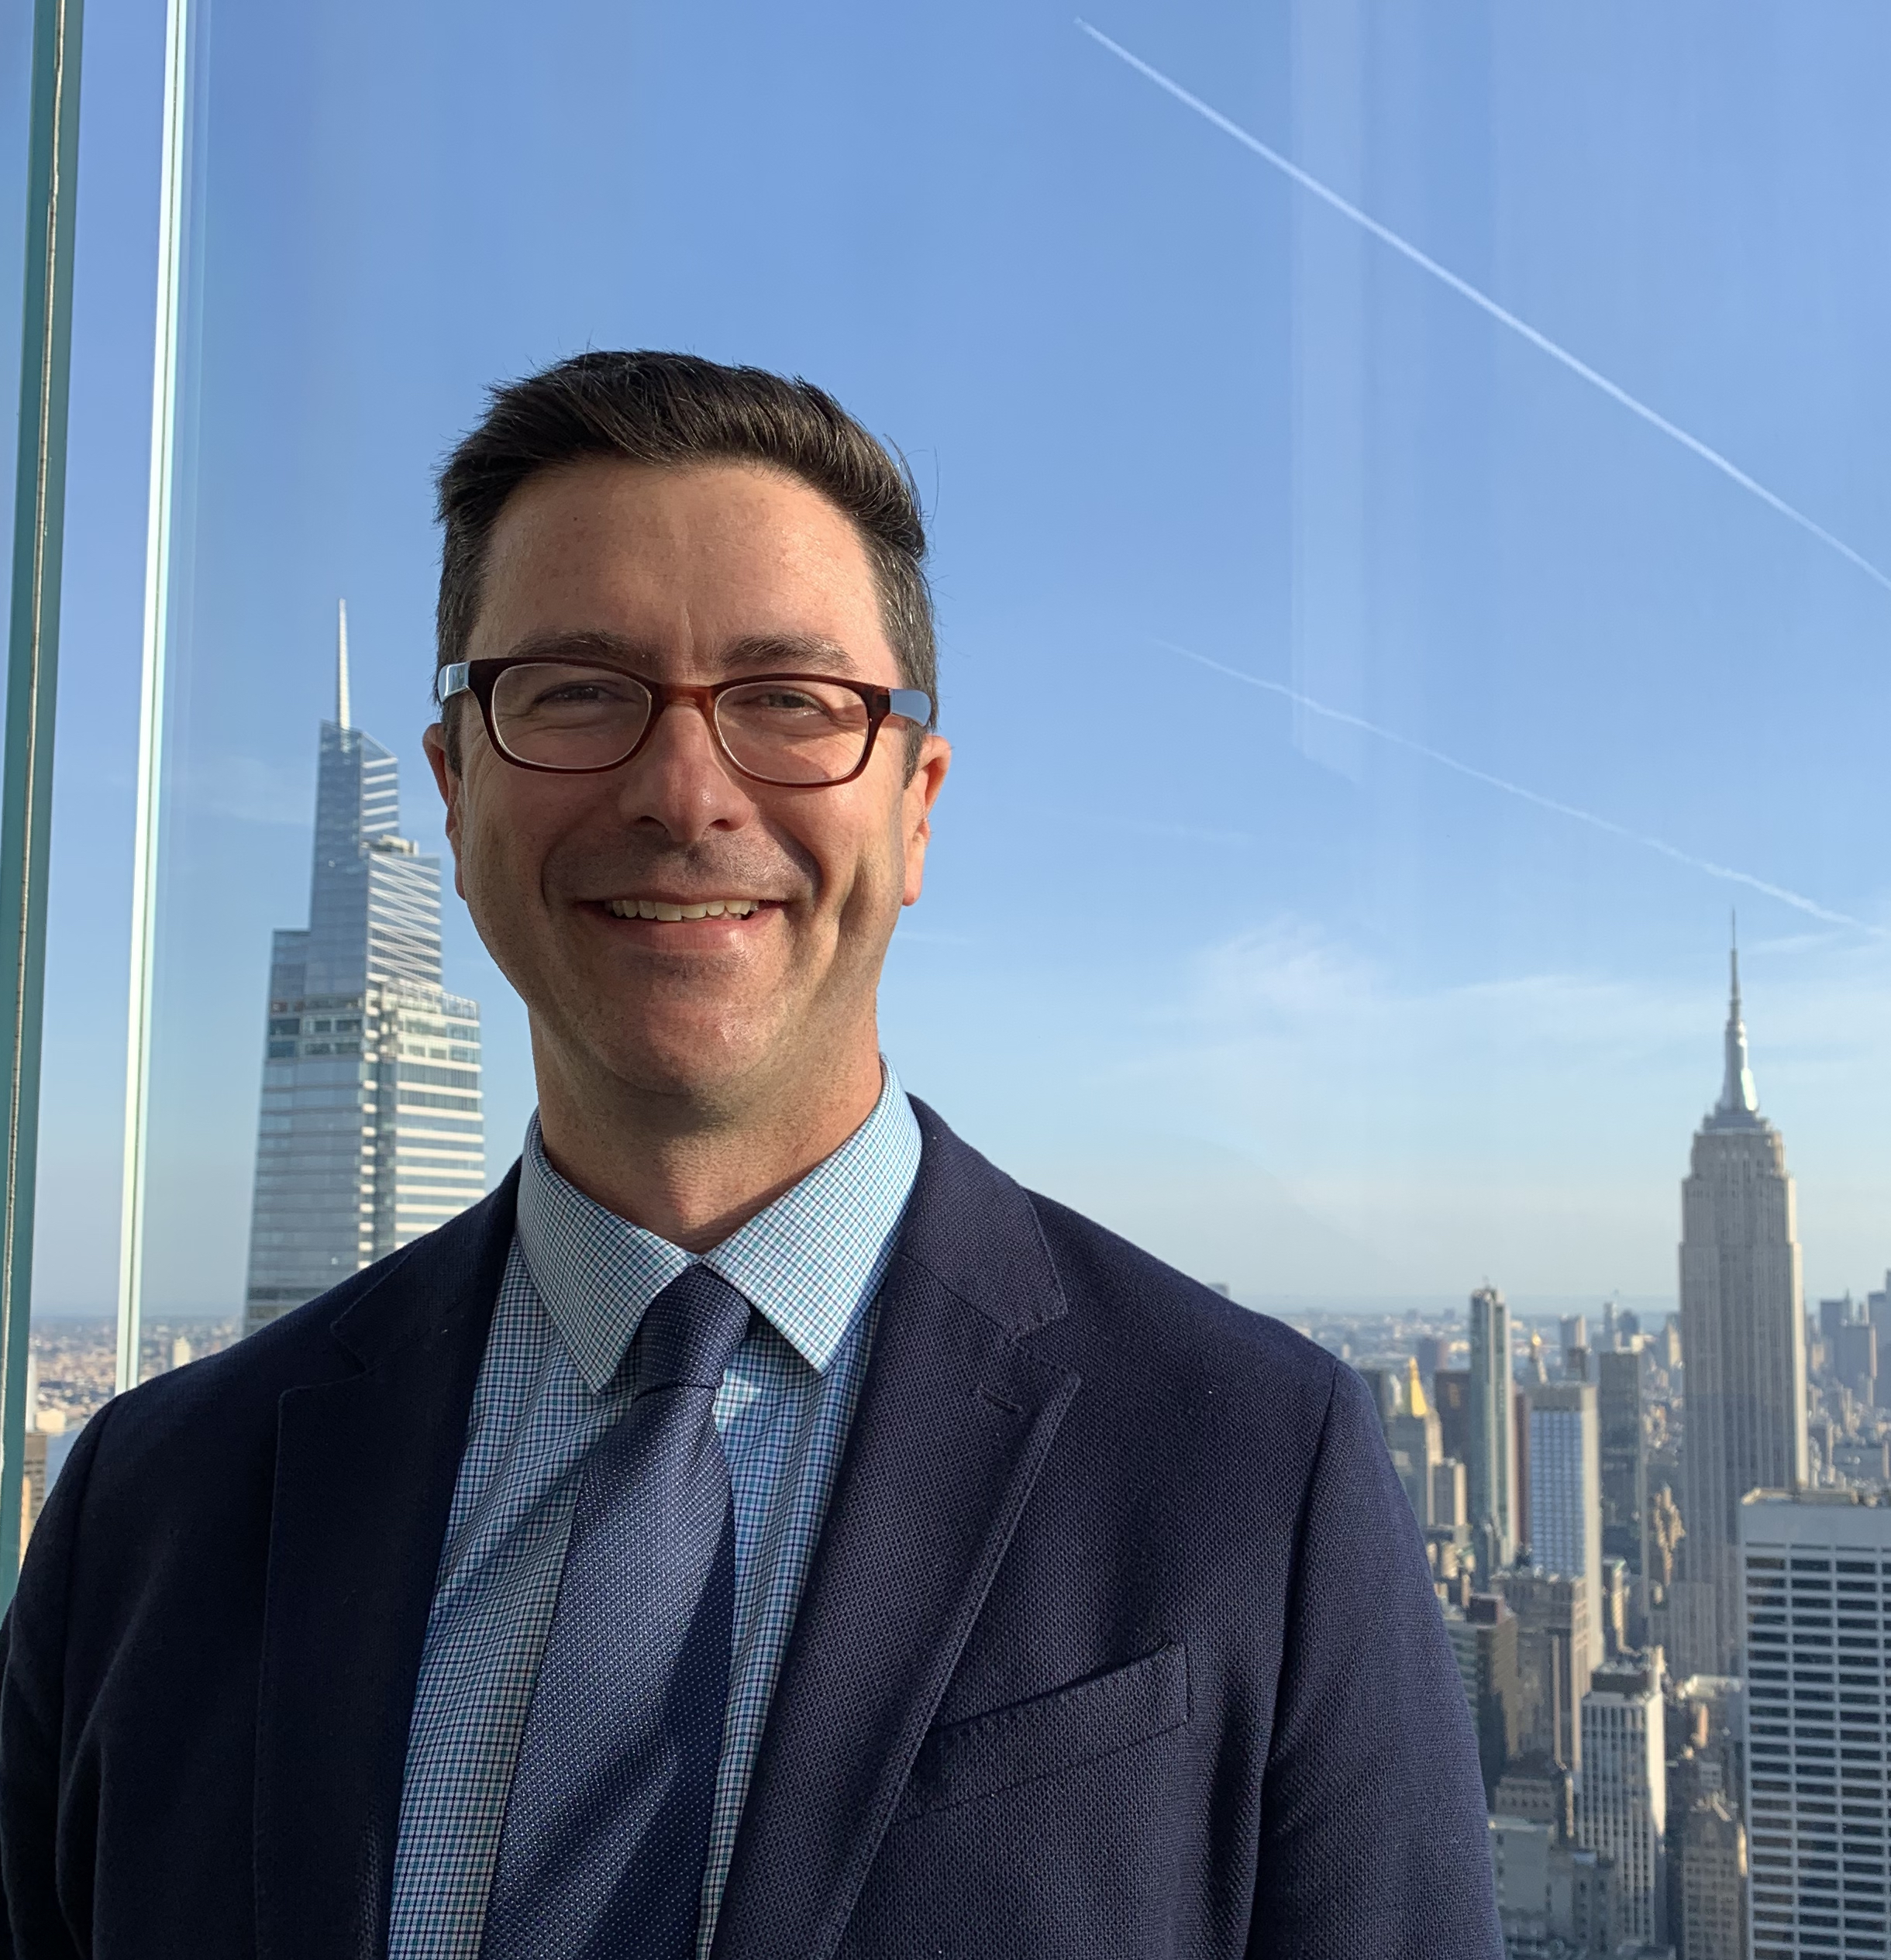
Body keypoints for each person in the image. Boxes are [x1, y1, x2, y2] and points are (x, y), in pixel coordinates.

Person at [0, 352, 1499, 1958]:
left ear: (915, 807)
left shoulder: (1256, 1471)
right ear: (453, 787)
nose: (682, 791)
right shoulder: (149, 1510)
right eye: (576, 690)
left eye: (790, 702)